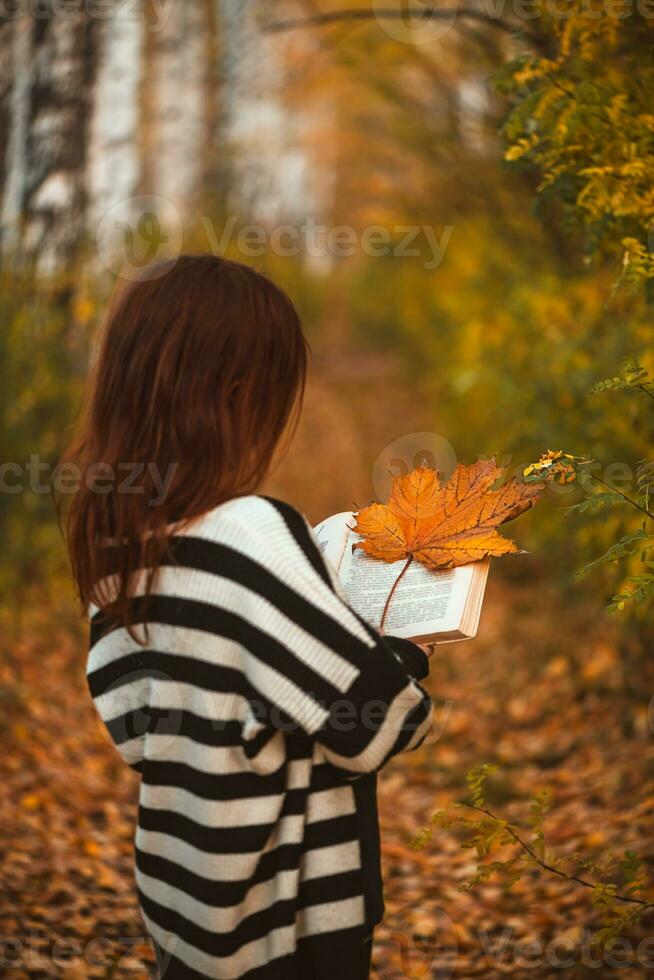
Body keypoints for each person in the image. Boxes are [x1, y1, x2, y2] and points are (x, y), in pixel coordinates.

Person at [61, 254, 434, 980]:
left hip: (186, 911)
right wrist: (404, 649)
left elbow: (138, 733)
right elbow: (380, 723)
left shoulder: (117, 547)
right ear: (234, 392)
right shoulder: (248, 535)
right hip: (289, 925)